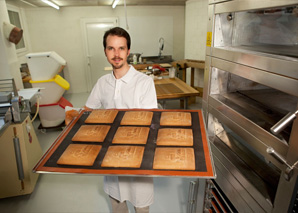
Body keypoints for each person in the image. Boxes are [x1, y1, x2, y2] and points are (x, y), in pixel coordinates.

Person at [66, 27, 157, 213]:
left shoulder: (144, 82)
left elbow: (150, 121)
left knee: (141, 204)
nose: (116, 54)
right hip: (110, 156)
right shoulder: (102, 83)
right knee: (117, 203)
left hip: (137, 155)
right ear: (105, 51)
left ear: (128, 51)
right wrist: (72, 116)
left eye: (121, 48)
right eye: (111, 48)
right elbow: (87, 111)